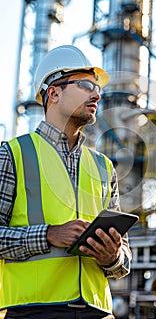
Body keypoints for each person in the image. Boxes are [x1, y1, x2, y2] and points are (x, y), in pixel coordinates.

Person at [0, 45, 132, 319]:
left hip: (98, 312)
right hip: (33, 311)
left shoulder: (104, 167)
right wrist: (48, 234)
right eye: (85, 85)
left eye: (98, 89)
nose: (96, 94)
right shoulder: (12, 155)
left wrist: (113, 257)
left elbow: (124, 262)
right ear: (54, 92)